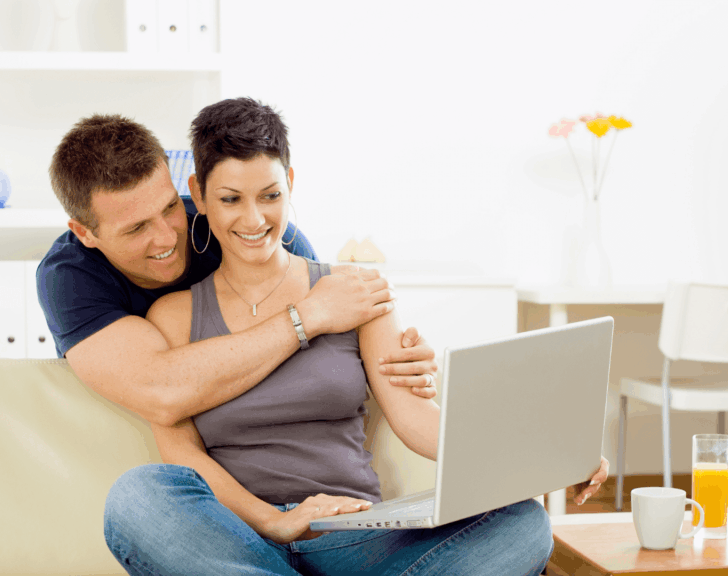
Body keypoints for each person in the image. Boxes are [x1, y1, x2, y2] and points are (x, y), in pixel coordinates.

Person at [104, 98, 610, 576]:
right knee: (137, 496)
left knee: (522, 521)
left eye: (271, 195)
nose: (254, 219)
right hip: (237, 539)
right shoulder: (173, 315)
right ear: (198, 193)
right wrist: (273, 521)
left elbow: (416, 421)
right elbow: (182, 454)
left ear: (291, 183)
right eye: (231, 199)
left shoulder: (355, 291)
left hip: (357, 536)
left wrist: (547, 455)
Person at [38, 114, 442, 434]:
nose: (167, 237)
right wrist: (306, 318)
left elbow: (331, 349)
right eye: (136, 228)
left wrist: (399, 366)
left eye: (169, 208)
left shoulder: (246, 232)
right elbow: (162, 393)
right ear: (85, 232)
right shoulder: (69, 276)